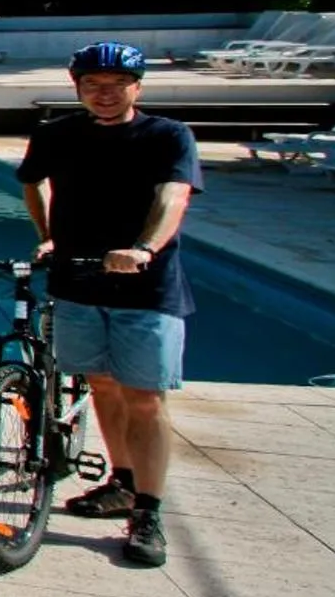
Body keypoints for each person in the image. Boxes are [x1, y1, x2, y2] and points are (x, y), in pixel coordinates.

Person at [17, 41, 201, 568]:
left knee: (144, 397)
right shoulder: (57, 134)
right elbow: (33, 184)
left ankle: (148, 510)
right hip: (77, 279)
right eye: (93, 85)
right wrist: (48, 234)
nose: (104, 94)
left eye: (116, 85)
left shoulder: (167, 136)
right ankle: (121, 482)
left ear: (136, 88)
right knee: (99, 382)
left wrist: (144, 249)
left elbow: (174, 197)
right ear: (77, 88)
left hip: (147, 285)